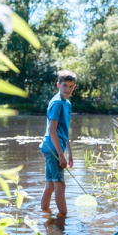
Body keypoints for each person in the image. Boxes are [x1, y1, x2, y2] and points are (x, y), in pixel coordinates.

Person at [40, 70, 77, 217]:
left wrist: (70, 153)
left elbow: (64, 130)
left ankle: (45, 213)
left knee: (50, 184)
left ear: (74, 87)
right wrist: (61, 155)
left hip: (53, 148)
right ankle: (64, 219)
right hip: (52, 149)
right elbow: (53, 130)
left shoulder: (67, 103)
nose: (67, 89)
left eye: (70, 86)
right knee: (60, 185)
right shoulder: (57, 103)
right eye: (64, 86)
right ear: (58, 85)